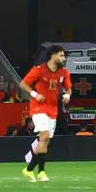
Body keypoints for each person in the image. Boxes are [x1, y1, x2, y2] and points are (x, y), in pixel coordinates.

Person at [20, 44, 71, 182]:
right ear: (53, 56)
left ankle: (30, 170)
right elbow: (23, 84)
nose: (64, 58)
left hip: (53, 110)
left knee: (44, 141)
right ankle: (40, 172)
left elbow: (68, 88)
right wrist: (35, 94)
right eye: (61, 55)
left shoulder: (64, 72)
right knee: (45, 136)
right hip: (38, 108)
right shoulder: (39, 70)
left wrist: (67, 95)